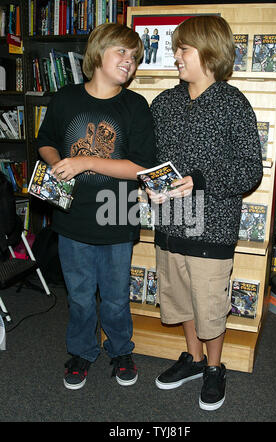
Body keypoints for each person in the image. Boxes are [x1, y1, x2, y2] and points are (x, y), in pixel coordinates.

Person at [148, 16, 263, 411]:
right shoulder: (163, 103)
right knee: (179, 301)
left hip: (212, 229)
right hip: (168, 225)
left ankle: (215, 368)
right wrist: (151, 187)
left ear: (210, 52)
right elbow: (152, 161)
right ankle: (194, 360)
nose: (176, 55)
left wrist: (200, 179)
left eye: (184, 49)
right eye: (176, 48)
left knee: (210, 305)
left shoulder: (233, 104)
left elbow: (250, 169)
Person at [37, 22, 155, 390]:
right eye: (122, 52)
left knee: (117, 298)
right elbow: (45, 141)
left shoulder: (136, 106)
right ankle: (82, 352)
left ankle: (121, 350)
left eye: (134, 57)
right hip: (72, 217)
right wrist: (57, 161)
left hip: (118, 215)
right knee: (81, 296)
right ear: (98, 53)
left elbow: (140, 168)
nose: (129, 62)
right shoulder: (66, 98)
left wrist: (85, 161)